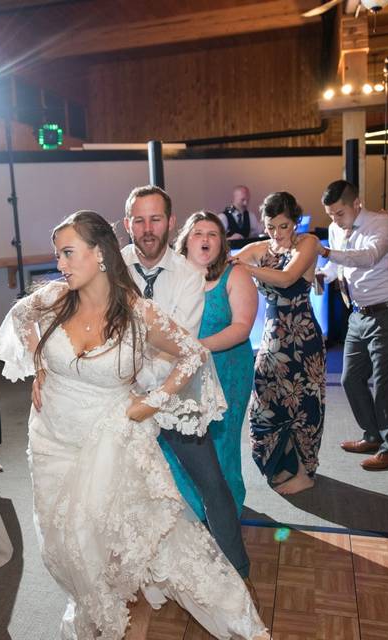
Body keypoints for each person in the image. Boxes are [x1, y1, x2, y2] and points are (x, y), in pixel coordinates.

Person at [0, 210, 267, 640]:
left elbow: (192, 355)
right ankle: (93, 608)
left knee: (117, 536)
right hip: (51, 440)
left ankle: (121, 620)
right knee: (63, 540)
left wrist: (152, 403)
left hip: (111, 437)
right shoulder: (52, 300)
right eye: (58, 254)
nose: (60, 264)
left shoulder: (138, 312)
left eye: (67, 253)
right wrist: (40, 367)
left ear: (99, 254)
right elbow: (20, 318)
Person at [120, 185, 251, 580]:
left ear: (170, 223)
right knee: (123, 482)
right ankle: (142, 567)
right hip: (123, 395)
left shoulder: (190, 275)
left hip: (176, 392)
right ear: (127, 224)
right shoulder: (112, 265)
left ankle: (237, 573)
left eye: (155, 219)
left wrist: (149, 393)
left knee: (210, 480)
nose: (147, 228)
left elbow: (179, 342)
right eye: (139, 220)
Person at [315, 180, 388, 471]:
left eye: (340, 213)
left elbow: (368, 258)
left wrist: (325, 253)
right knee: (350, 379)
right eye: (330, 215)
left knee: (384, 385)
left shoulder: (382, 223)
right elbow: (335, 269)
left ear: (357, 203)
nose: (335, 220)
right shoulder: (335, 228)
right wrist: (317, 275)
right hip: (357, 315)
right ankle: (372, 435)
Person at [233, 192, 325, 493]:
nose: (277, 233)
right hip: (272, 336)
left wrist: (246, 268)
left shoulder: (307, 243)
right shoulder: (259, 248)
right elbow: (225, 262)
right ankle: (282, 462)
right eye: (271, 226)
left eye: (284, 226)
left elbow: (286, 279)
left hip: (302, 335)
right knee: (264, 399)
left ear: (295, 222)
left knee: (303, 403)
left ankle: (304, 472)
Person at [167, 211, 258, 516]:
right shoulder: (171, 276)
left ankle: (225, 511)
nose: (205, 239)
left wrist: (195, 349)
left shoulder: (236, 275)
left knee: (220, 441)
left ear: (221, 243)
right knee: (177, 441)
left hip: (227, 369)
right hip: (178, 372)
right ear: (185, 241)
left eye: (213, 234)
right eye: (197, 233)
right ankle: (192, 510)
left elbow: (242, 326)